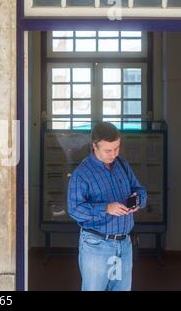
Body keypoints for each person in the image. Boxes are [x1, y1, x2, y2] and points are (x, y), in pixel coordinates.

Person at [67, 121, 147, 291]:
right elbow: (74, 209)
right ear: (94, 146)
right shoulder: (81, 174)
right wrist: (106, 208)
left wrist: (138, 200)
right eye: (108, 150)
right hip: (96, 245)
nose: (114, 154)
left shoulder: (122, 164)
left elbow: (139, 189)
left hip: (124, 244)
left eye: (117, 148)